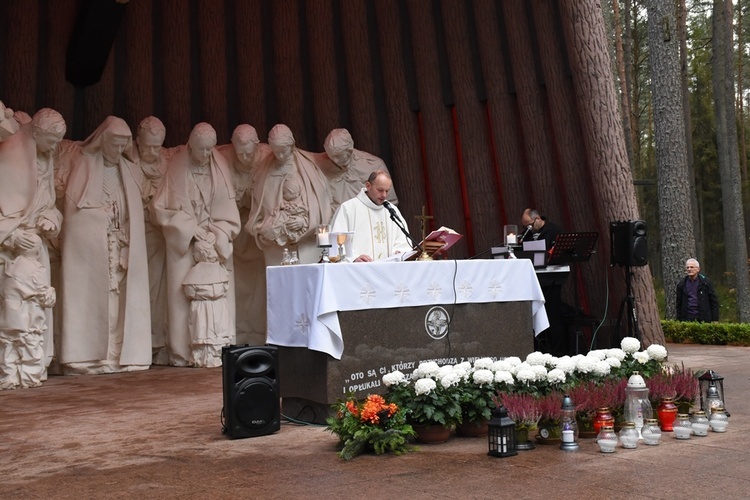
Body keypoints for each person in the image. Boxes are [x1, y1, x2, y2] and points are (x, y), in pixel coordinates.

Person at [57, 116, 151, 374]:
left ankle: (119, 353)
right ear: (102, 141)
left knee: (120, 303)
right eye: (114, 145)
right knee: (97, 300)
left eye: (123, 145)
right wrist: (100, 216)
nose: (118, 151)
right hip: (93, 250)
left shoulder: (128, 170)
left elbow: (135, 212)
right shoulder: (85, 165)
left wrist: (127, 240)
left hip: (121, 246)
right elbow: (75, 214)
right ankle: (89, 355)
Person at [151, 122, 240, 366]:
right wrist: (191, 229)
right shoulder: (176, 168)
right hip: (184, 242)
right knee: (182, 297)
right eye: (201, 149)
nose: (206, 155)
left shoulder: (220, 167)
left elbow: (229, 213)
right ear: (190, 146)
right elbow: (160, 209)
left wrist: (216, 233)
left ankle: (218, 346)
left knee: (218, 292)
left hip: (214, 242)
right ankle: (183, 351)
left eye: (210, 149)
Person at [0, 108, 66, 370]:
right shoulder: (8, 156)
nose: (55, 147)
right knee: (13, 314)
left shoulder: (45, 157)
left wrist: (52, 218)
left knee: (36, 311)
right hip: (9, 251)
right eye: (51, 141)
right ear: (37, 133)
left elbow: (49, 203)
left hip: (35, 248)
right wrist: (12, 235)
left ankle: (33, 365)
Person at [246, 123, 331, 265]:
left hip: (305, 244)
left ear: (291, 145)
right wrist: (265, 227)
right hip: (276, 247)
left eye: (283, 151)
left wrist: (305, 222)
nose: (279, 155)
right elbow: (258, 206)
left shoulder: (308, 169)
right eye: (275, 151)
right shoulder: (264, 172)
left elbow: (320, 205)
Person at [217, 124, 268, 346]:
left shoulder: (267, 157)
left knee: (260, 288)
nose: (246, 158)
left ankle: (259, 335)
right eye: (241, 153)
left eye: (250, 152)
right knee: (236, 288)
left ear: (257, 146)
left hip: (258, 237)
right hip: (235, 236)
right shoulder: (222, 160)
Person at [133, 116, 170, 364]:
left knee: (156, 292)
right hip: (134, 236)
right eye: (148, 146)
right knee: (135, 290)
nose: (153, 152)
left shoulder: (166, 164)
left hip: (158, 236)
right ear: (137, 142)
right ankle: (135, 343)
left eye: (158, 146)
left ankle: (156, 342)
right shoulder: (129, 162)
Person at [0, 234, 56, 389]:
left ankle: (9, 378)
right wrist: (51, 294)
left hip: (8, 316)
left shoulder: (10, 266)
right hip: (27, 317)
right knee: (30, 346)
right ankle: (29, 378)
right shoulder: (35, 269)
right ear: (37, 251)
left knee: (8, 347)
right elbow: (43, 295)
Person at [329, 170, 412, 262]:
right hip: (359, 270)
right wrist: (354, 258)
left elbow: (403, 241)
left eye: (387, 191)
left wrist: (398, 252)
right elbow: (337, 242)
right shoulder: (348, 208)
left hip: (388, 270)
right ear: (368, 186)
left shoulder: (392, 210)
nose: (384, 195)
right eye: (380, 190)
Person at [316, 128, 398, 211]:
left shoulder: (373, 164)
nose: (336, 160)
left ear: (350, 149)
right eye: (332, 156)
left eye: (338, 156)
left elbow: (390, 202)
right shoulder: (321, 167)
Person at [520, 208, 565, 356]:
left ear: (538, 219)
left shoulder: (554, 231)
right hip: (534, 281)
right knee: (535, 317)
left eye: (530, 225)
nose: (528, 229)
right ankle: (540, 351)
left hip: (551, 280)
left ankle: (557, 351)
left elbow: (560, 254)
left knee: (553, 317)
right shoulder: (527, 235)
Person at [676, 258, 719, 322]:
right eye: (687, 267)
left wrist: (715, 319)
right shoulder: (682, 284)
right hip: (687, 318)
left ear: (698, 269)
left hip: (703, 318)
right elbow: (679, 304)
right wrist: (679, 319)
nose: (689, 269)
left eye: (692, 267)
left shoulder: (705, 283)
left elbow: (713, 302)